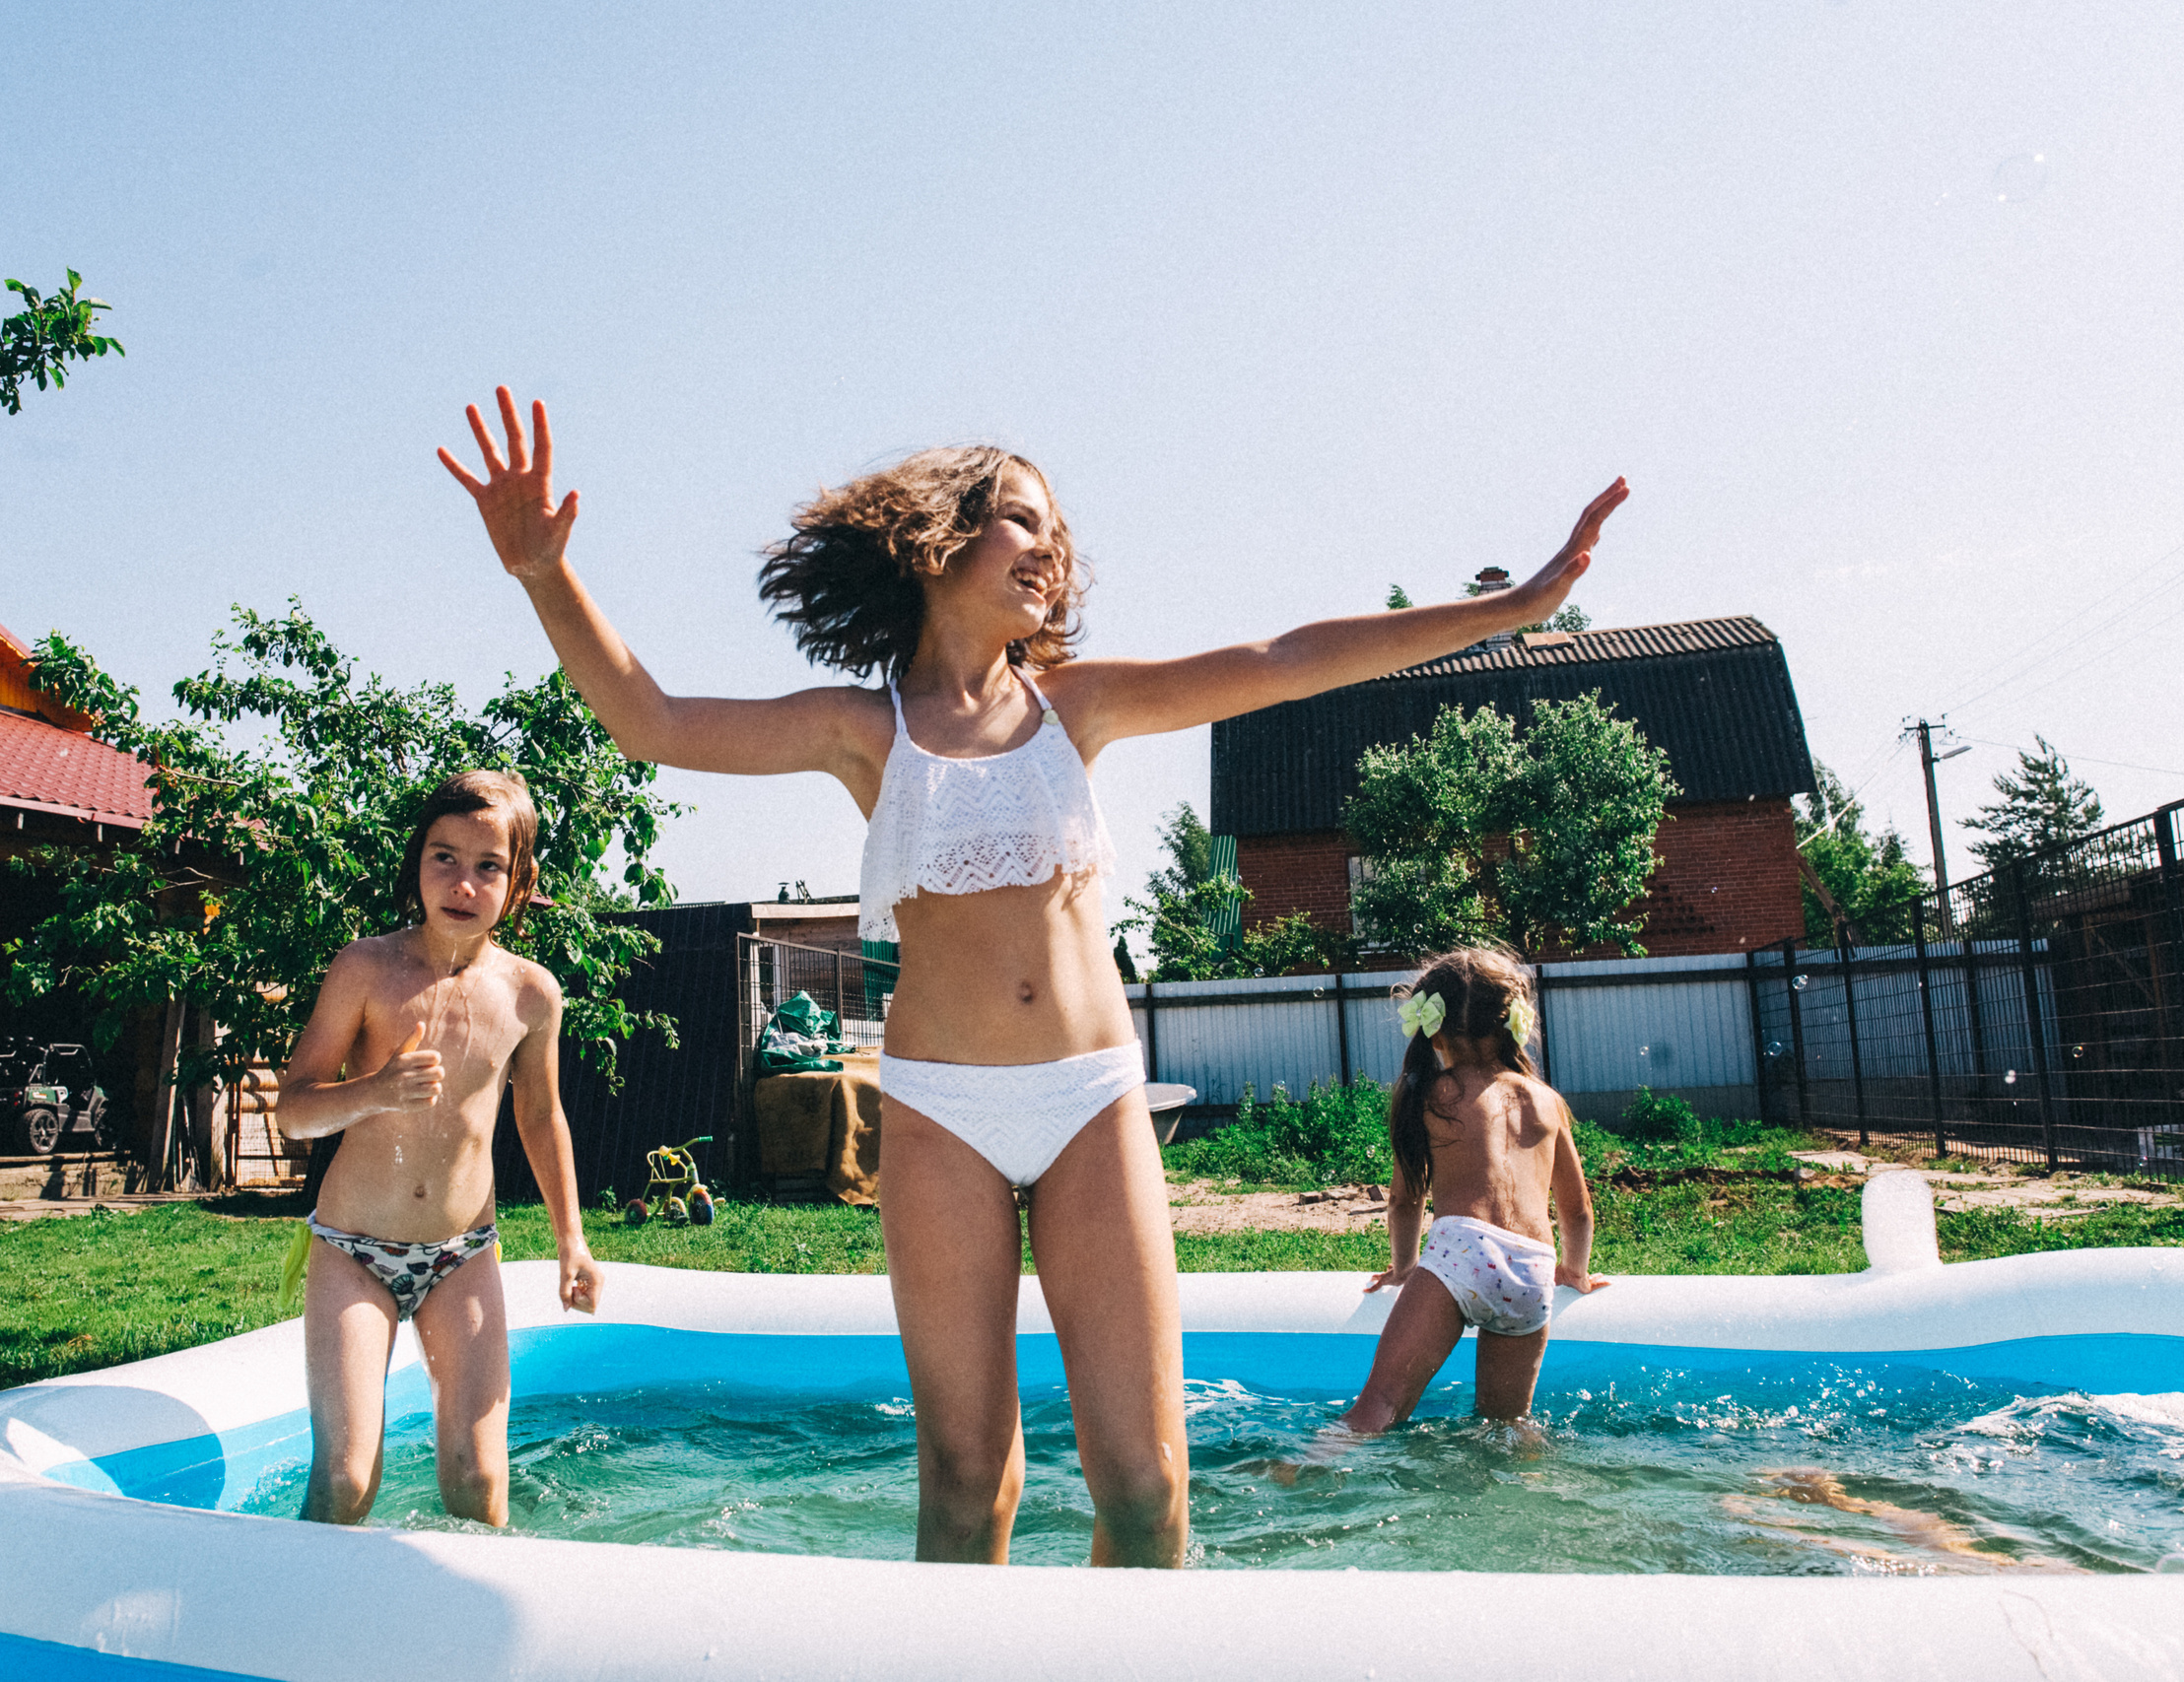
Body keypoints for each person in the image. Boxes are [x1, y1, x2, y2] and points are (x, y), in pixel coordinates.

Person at [440, 385, 1625, 1566]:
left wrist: (1509, 607)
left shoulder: (1080, 705)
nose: (1047, 545)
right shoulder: (867, 729)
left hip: (1089, 1101)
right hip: (941, 1112)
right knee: (967, 1484)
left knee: (1150, 1487)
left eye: (1053, 528)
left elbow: (1287, 657)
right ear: (937, 540)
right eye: (1018, 518)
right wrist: (545, 573)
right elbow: (649, 720)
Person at [275, 769, 601, 1527]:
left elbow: (542, 1118)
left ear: (519, 884)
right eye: (443, 857)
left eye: (488, 866)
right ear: (416, 862)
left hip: (462, 1253)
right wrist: (375, 1091)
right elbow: (294, 1110)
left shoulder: (530, 993)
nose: (462, 881)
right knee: (347, 1479)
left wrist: (572, 1241)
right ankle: (298, 1629)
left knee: (478, 1478)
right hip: (354, 1249)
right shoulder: (367, 969)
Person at [1337, 948, 1607, 1436]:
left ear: (1433, 1028)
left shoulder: (1430, 1093)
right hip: (1532, 1272)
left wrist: (1405, 1271)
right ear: (1512, 1024)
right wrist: (1575, 1272)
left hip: (1459, 1253)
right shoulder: (1547, 1101)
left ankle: (1299, 1470)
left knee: (1378, 1406)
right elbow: (1579, 1210)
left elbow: (1404, 1201)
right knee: (1508, 1426)